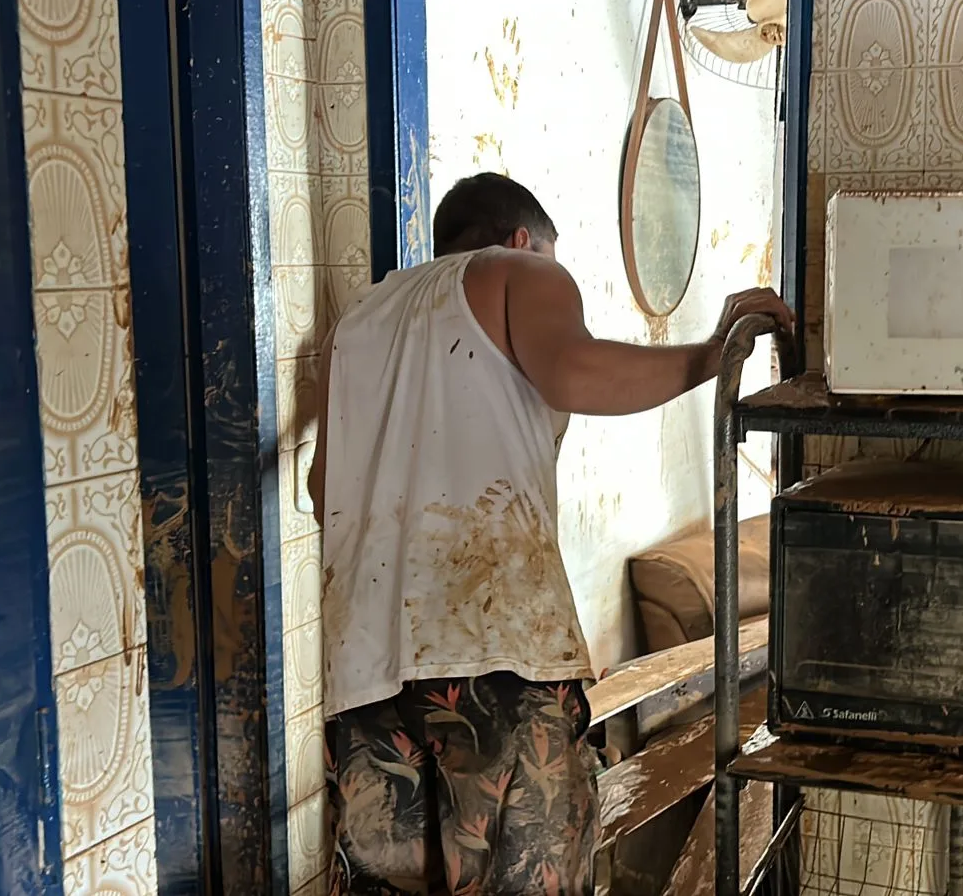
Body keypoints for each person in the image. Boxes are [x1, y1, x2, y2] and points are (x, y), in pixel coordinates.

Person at [307, 171, 792, 896]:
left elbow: (323, 490)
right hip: (501, 656)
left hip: (365, 673)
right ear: (524, 240)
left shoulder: (363, 321)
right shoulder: (518, 272)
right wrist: (714, 352)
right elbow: (572, 372)